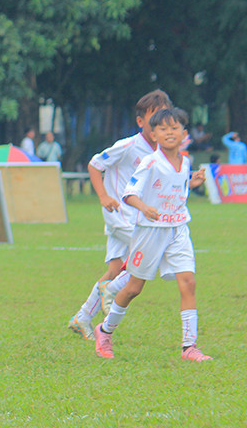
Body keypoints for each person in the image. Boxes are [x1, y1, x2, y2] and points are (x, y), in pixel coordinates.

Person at [93, 107, 211, 361]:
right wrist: (144, 207)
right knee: (134, 288)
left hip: (178, 229)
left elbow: (174, 188)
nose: (169, 132)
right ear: (154, 135)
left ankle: (189, 347)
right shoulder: (150, 162)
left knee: (188, 282)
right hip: (150, 232)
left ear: (184, 134)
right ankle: (104, 330)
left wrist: (191, 183)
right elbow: (129, 193)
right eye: (163, 128)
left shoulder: (186, 162)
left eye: (175, 128)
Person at [68, 89, 172, 341]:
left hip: (136, 217)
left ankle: (82, 317)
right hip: (121, 215)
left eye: (165, 119)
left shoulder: (161, 153)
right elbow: (95, 164)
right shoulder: (127, 146)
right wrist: (103, 196)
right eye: (154, 118)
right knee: (152, 255)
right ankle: (109, 290)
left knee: (116, 269)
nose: (160, 124)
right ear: (140, 122)